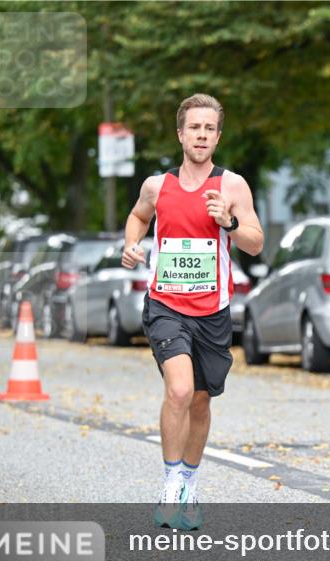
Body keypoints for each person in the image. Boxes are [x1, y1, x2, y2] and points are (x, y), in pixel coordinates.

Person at [121, 93, 263, 529]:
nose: (201, 135)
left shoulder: (232, 186)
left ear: (217, 137)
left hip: (212, 312)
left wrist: (230, 223)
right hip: (166, 305)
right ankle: (169, 485)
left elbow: (256, 243)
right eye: (194, 127)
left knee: (201, 402)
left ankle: (188, 484)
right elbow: (138, 217)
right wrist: (131, 244)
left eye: (209, 129)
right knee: (179, 390)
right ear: (180, 134)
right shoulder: (156, 185)